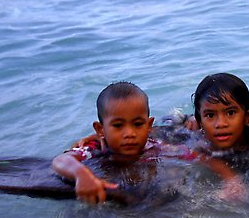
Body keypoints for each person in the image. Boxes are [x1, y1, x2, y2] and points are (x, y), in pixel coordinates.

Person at [52, 81, 191, 205]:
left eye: (138, 124)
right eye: (118, 125)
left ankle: (178, 118)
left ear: (148, 125)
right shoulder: (97, 148)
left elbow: (191, 153)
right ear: (101, 129)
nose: (130, 133)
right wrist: (81, 174)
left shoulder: (154, 146)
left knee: (177, 128)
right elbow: (61, 160)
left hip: (165, 133)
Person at [190, 72, 249, 201]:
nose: (220, 124)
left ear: (248, 117)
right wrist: (228, 174)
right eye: (210, 115)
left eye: (230, 112)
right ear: (201, 122)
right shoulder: (195, 137)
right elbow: (179, 150)